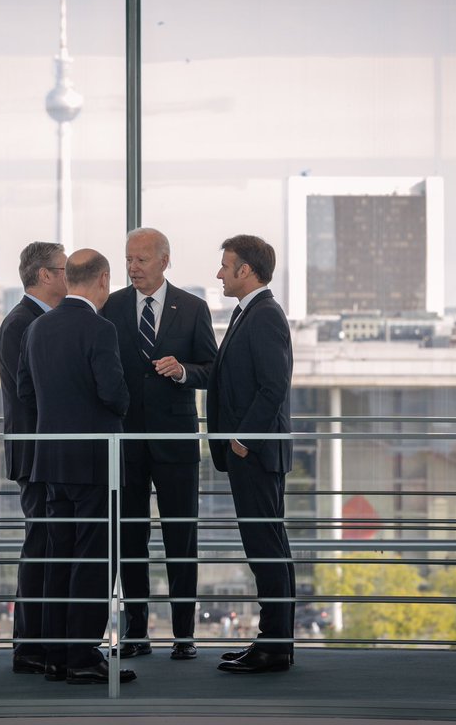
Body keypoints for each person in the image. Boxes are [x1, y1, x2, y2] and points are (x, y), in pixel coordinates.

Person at [17, 248, 136, 685]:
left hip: (50, 462)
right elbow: (115, 395)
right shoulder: (99, 330)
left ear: (70, 279)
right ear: (103, 279)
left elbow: (24, 392)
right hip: (93, 463)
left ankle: (55, 658)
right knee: (94, 560)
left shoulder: (37, 329)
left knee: (57, 558)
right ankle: (84, 657)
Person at [100, 227, 217, 661]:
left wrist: (184, 370)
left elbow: (210, 369)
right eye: (129, 259)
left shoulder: (193, 308)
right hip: (126, 442)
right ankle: (135, 633)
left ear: (164, 261)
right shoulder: (108, 307)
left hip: (176, 442)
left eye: (142, 260)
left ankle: (184, 636)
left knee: (181, 537)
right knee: (130, 538)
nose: (132, 268)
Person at [206, 234, 296, 674]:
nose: (219, 273)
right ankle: (273, 642)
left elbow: (273, 386)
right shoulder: (251, 314)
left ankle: (274, 646)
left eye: (225, 266)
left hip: (256, 455)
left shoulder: (264, 316)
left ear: (246, 271)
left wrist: (242, 439)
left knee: (266, 549)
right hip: (252, 454)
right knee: (266, 548)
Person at [0, 241, 67, 675]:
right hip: (37, 455)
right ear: (43, 276)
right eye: (62, 270)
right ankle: (29, 647)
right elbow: (34, 395)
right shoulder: (22, 324)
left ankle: (38, 644)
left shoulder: (35, 321)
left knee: (45, 547)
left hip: (44, 453)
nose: (67, 277)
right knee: (40, 549)